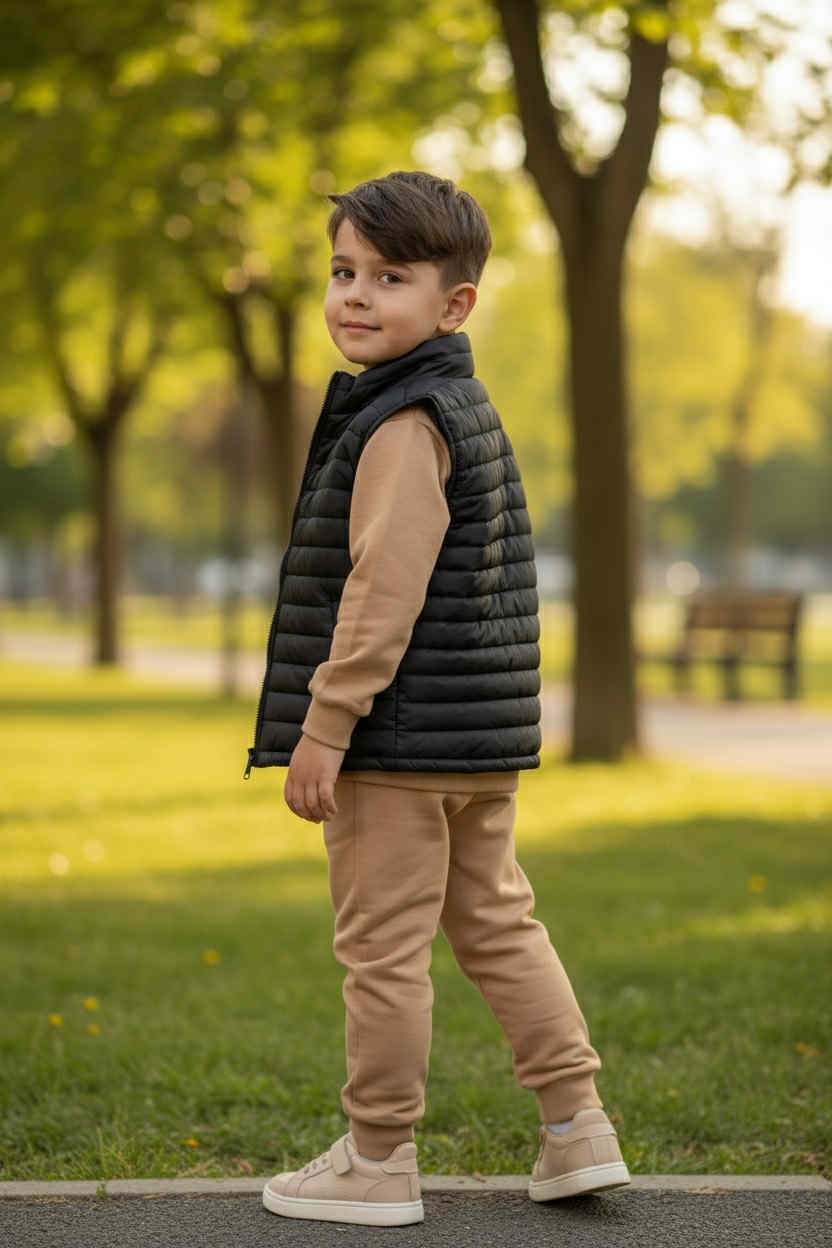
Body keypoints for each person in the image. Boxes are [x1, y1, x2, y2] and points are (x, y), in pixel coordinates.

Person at [245, 170, 630, 1227]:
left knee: (381, 953)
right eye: (343, 272)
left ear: (454, 304)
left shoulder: (400, 423)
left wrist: (327, 725)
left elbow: (383, 588)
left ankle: (377, 1159)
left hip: (398, 742)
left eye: (389, 278)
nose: (355, 296)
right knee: (500, 926)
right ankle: (576, 1126)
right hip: (474, 743)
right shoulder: (462, 408)